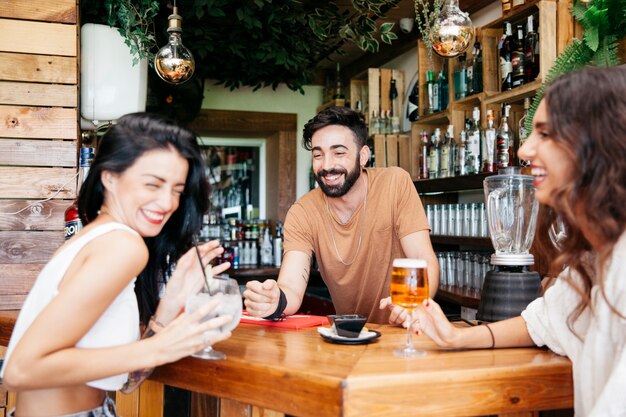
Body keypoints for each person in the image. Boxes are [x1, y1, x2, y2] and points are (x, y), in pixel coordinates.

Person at [390, 66, 626, 416]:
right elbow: (540, 322)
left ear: (600, 143)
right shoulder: (594, 259)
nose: (525, 150)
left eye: (545, 134)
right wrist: (455, 337)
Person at [1, 113, 233, 416]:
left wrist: (171, 300)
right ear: (109, 176)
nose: (167, 203)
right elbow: (20, 370)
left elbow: (126, 382)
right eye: (153, 185)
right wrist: (157, 348)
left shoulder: (96, 236)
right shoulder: (123, 246)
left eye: (176, 190)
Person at [244, 106, 439, 324]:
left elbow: (424, 260)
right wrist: (274, 300)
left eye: (339, 153)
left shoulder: (394, 184)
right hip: (349, 337)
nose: (327, 165)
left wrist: (410, 307)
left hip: (404, 333)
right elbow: (290, 286)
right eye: (318, 155)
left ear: (363, 156)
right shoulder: (303, 212)